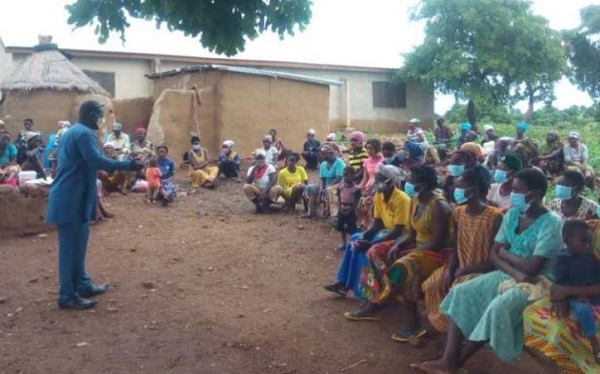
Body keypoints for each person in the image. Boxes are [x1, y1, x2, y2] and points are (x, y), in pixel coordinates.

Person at [411, 168, 562, 373]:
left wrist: (506, 255)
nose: (512, 193)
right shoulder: (513, 214)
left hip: (538, 283)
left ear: (534, 194)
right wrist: (515, 271)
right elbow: (494, 254)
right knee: (462, 292)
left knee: (498, 307)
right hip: (512, 274)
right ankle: (449, 358)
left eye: (517, 189)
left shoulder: (551, 222)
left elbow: (533, 267)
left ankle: (455, 363)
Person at [45, 100, 143, 310]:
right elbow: (96, 161)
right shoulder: (84, 134)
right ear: (90, 115)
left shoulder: (74, 131)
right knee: (70, 250)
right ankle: (67, 296)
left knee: (78, 247)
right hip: (71, 198)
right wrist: (128, 165)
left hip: (74, 197)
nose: (100, 120)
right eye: (99, 116)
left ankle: (82, 285)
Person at [346, 166, 453, 343]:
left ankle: (414, 324)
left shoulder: (439, 206)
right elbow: (411, 233)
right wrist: (399, 245)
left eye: (411, 181)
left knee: (404, 266)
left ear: (424, 185)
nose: (407, 183)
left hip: (437, 253)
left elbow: (438, 243)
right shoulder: (416, 200)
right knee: (376, 251)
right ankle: (374, 301)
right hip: (418, 246)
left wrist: (410, 251)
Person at [423, 166, 502, 332]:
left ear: (473, 190)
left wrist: (466, 270)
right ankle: (447, 328)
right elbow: (456, 246)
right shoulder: (458, 213)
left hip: (482, 270)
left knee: (459, 289)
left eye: (459, 187)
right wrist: (450, 268)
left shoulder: (494, 216)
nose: (455, 190)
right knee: (433, 284)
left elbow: (495, 258)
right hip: (461, 264)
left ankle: (461, 332)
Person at [323, 164, 410, 298]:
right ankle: (344, 283)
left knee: (369, 248)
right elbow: (378, 223)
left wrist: (370, 243)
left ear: (391, 181)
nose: (377, 182)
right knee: (355, 239)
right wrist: (365, 236)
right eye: (377, 178)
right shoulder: (379, 196)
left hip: (401, 237)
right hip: (386, 233)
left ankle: (370, 292)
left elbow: (398, 231)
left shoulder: (402, 199)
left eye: (381, 179)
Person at [550, 220, 600, 363]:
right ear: (567, 241)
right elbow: (560, 285)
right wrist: (574, 295)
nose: (587, 245)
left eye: (589, 242)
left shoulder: (591, 256)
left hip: (590, 293)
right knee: (583, 310)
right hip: (572, 296)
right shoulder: (562, 260)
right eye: (583, 241)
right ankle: (595, 345)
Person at [304, 144, 346, 218]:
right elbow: (322, 179)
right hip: (327, 184)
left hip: (338, 185)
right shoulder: (323, 164)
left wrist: (327, 187)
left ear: (331, 153)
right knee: (311, 188)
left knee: (330, 190)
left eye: (324, 153)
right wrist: (321, 188)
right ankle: (311, 213)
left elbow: (339, 178)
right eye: (322, 153)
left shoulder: (339, 163)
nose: (322, 155)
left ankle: (333, 214)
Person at [357, 138, 384, 228]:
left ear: (377, 148)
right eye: (367, 148)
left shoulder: (383, 161)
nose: (368, 151)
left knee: (374, 208)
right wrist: (360, 187)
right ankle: (366, 223)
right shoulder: (366, 161)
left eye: (371, 148)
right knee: (363, 205)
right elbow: (365, 178)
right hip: (369, 186)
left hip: (378, 186)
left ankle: (373, 225)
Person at [335, 166, 362, 250]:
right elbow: (339, 198)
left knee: (352, 228)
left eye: (347, 175)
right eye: (344, 175)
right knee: (342, 227)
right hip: (342, 209)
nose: (345, 177)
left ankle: (352, 244)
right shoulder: (340, 187)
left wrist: (351, 210)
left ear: (353, 176)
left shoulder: (356, 189)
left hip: (351, 210)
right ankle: (344, 243)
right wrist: (339, 209)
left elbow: (356, 201)